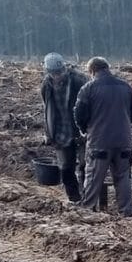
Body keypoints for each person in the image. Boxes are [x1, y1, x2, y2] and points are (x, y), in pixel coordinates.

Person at [74, 57, 132, 216]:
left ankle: (88, 211)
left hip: (99, 141)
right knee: (123, 178)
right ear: (107, 68)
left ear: (92, 71)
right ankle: (126, 213)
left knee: (94, 178)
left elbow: (79, 114)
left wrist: (84, 129)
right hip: (123, 141)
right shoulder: (126, 87)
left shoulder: (88, 88)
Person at [39, 53, 89, 203]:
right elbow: (47, 109)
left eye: (60, 72)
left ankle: (88, 198)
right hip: (60, 132)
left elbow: (90, 104)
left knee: (85, 165)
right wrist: (48, 132)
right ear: (48, 72)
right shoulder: (46, 85)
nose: (58, 76)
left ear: (64, 68)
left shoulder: (79, 80)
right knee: (66, 167)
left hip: (81, 130)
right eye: (54, 73)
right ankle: (74, 198)